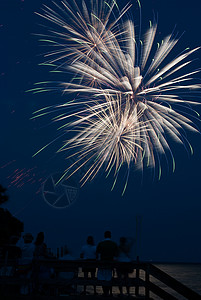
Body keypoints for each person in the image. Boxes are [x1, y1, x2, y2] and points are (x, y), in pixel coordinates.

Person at [96, 231, 118, 296]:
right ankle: (108, 292)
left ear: (104, 236)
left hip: (102, 263)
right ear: (110, 236)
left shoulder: (101, 244)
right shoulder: (114, 244)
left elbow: (97, 253)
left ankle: (105, 292)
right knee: (109, 278)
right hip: (110, 263)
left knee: (102, 278)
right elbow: (116, 254)